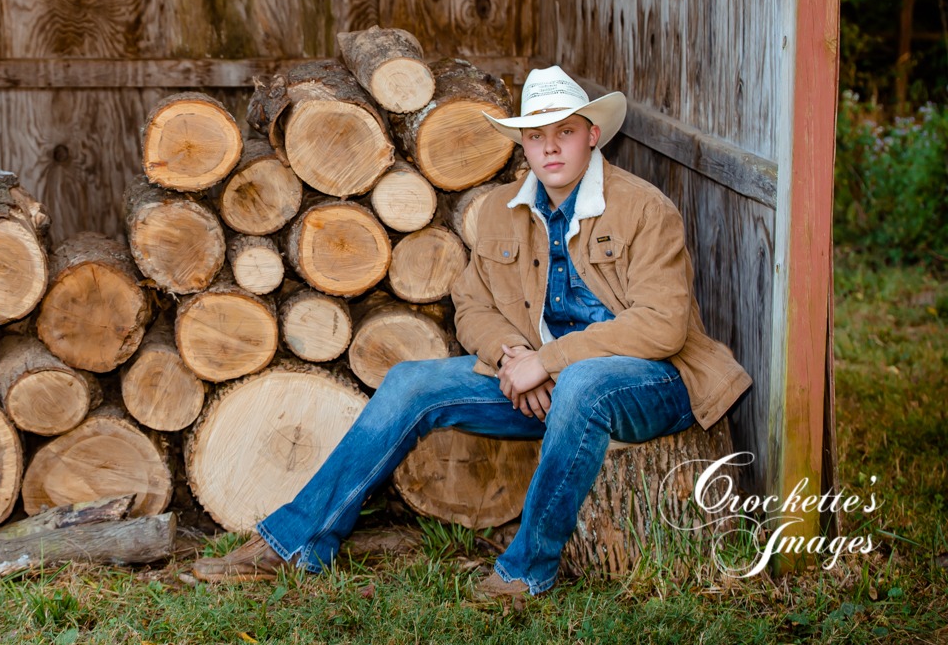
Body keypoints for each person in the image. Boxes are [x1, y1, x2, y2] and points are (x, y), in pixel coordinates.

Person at [191, 65, 753, 598]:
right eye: (536, 136)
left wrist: (550, 361)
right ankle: (296, 541)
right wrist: (512, 356)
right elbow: (472, 304)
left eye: (565, 132)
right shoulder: (501, 213)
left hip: (653, 383)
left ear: (593, 135)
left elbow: (662, 326)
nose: (550, 147)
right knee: (412, 384)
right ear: (523, 145)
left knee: (583, 387)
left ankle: (527, 571)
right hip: (545, 381)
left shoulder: (643, 210)